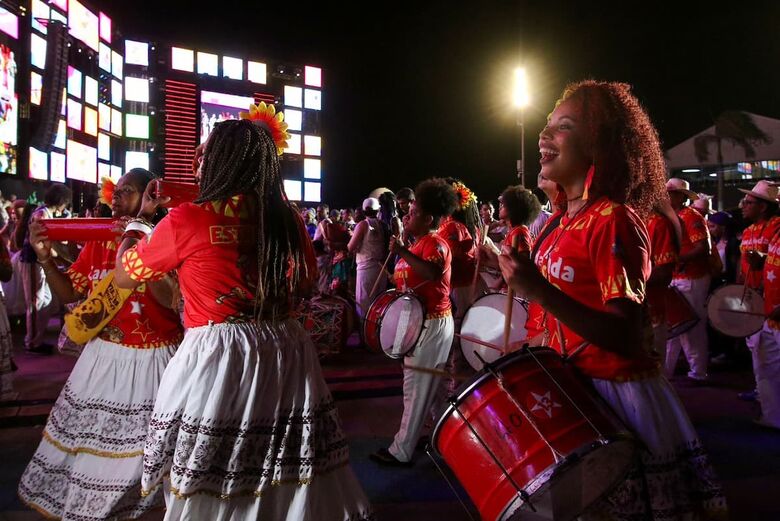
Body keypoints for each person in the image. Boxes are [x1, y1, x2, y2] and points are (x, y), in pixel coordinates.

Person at [113, 114, 372, 520]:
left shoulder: (186, 219)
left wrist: (142, 221)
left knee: (214, 472)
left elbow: (126, 274)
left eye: (205, 152)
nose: (198, 157)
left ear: (220, 162)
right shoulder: (287, 219)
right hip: (286, 352)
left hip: (219, 359)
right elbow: (306, 282)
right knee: (284, 468)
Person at [498, 80, 726, 519]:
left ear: (599, 146)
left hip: (614, 398)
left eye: (562, 127)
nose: (544, 135)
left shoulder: (613, 218)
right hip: (573, 391)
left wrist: (537, 288)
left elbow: (627, 335)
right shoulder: (563, 223)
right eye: (546, 125)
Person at [18, 169, 183, 520]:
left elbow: (171, 300)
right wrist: (46, 257)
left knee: (153, 463)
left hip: (156, 362)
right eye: (117, 192)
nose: (117, 198)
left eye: (128, 192)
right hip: (103, 360)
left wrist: (141, 233)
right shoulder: (98, 242)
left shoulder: (168, 238)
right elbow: (70, 294)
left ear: (151, 198)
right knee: (93, 456)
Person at [370, 178, 457, 467]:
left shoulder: (436, 243)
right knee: (434, 392)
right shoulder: (417, 243)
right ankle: (445, 438)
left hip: (432, 324)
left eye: (414, 212)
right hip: (419, 323)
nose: (408, 215)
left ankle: (401, 450)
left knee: (416, 387)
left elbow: (431, 274)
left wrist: (402, 252)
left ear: (429, 218)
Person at [665, 178, 712, 381]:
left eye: (669, 192)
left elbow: (703, 248)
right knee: (675, 326)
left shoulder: (690, 216)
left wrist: (678, 259)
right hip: (677, 277)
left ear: (680, 196)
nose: (665, 195)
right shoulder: (672, 215)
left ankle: (698, 373)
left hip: (692, 277)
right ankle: (666, 372)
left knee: (692, 328)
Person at [737, 181, 780, 401]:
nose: (743, 205)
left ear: (763, 207)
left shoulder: (776, 226)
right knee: (758, 350)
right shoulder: (747, 231)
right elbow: (742, 265)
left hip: (770, 299)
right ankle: (762, 393)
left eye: (749, 202)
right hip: (753, 296)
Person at [19, 183, 72, 355]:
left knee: (45, 301)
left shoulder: (45, 212)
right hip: (32, 261)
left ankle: (36, 339)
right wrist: (63, 258)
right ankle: (32, 342)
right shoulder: (42, 214)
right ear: (61, 200)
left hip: (37, 262)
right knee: (36, 303)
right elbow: (41, 243)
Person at [480, 185, 540, 285]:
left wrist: (500, 282)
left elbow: (521, 266)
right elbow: (507, 264)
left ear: (514, 209)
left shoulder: (519, 232)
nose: (500, 206)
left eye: (503, 205)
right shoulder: (513, 231)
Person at [348, 197, 389, 319]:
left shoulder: (362, 225)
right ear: (378, 210)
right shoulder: (383, 225)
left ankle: (365, 333)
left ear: (364, 210)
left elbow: (350, 247)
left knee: (364, 303)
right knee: (379, 303)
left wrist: (351, 235)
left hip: (366, 269)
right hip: (381, 268)